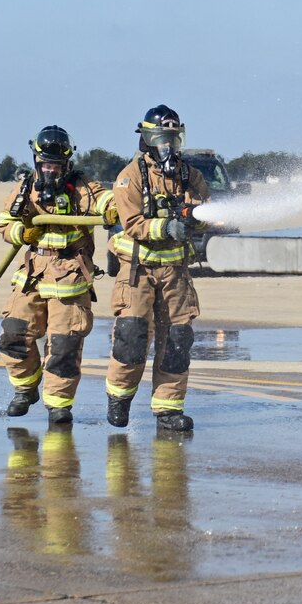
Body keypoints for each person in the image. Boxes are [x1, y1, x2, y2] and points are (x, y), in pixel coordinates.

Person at [0, 126, 115, 425]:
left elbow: (104, 202)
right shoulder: (26, 187)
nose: (51, 171)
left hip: (70, 278)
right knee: (13, 334)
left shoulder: (83, 186)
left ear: (67, 165)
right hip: (34, 274)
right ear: (37, 162)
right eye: (46, 164)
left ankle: (59, 405)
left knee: (64, 346)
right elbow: (4, 223)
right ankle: (25, 389)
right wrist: (21, 231)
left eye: (57, 166)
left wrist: (114, 210)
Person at [105, 106, 210, 432]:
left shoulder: (189, 175)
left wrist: (194, 216)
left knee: (178, 341)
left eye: (173, 138)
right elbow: (133, 224)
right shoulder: (130, 177)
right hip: (139, 272)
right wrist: (165, 228)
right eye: (162, 139)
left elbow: (204, 208)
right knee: (131, 339)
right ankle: (119, 397)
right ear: (149, 140)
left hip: (176, 274)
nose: (169, 146)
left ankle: (168, 409)